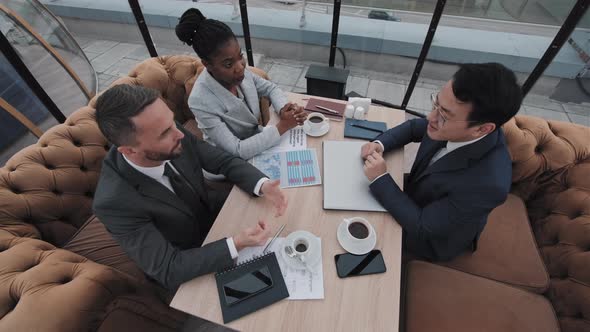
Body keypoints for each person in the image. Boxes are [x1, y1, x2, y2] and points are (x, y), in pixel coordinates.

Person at [93, 84, 288, 290]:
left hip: (213, 215)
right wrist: (236, 243)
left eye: (172, 122)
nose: (180, 135)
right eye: (164, 133)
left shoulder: (169, 129)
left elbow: (222, 161)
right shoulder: (113, 203)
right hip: (190, 261)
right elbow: (168, 269)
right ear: (129, 151)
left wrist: (262, 184)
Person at [361, 63, 522, 262]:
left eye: (444, 115)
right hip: (413, 197)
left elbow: (422, 227)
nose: (431, 117)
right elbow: (413, 128)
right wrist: (380, 144)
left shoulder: (488, 185)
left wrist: (380, 178)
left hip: (428, 240)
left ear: (482, 129)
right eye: (435, 103)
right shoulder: (451, 125)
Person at [176, 8, 307, 160]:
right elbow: (237, 149)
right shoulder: (200, 101)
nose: (240, 67)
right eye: (228, 64)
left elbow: (271, 88)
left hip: (260, 145)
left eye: (240, 56)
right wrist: (283, 126)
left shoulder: (239, 74)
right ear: (207, 65)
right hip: (229, 163)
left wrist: (284, 109)